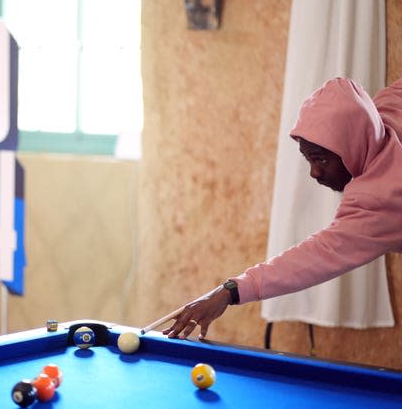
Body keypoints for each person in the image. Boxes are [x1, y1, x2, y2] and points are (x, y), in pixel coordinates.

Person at [162, 77, 402, 340]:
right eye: (309, 159)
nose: (314, 172)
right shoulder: (387, 111)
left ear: (354, 143)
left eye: (322, 159)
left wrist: (228, 291)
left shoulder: (379, 199)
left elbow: (318, 255)